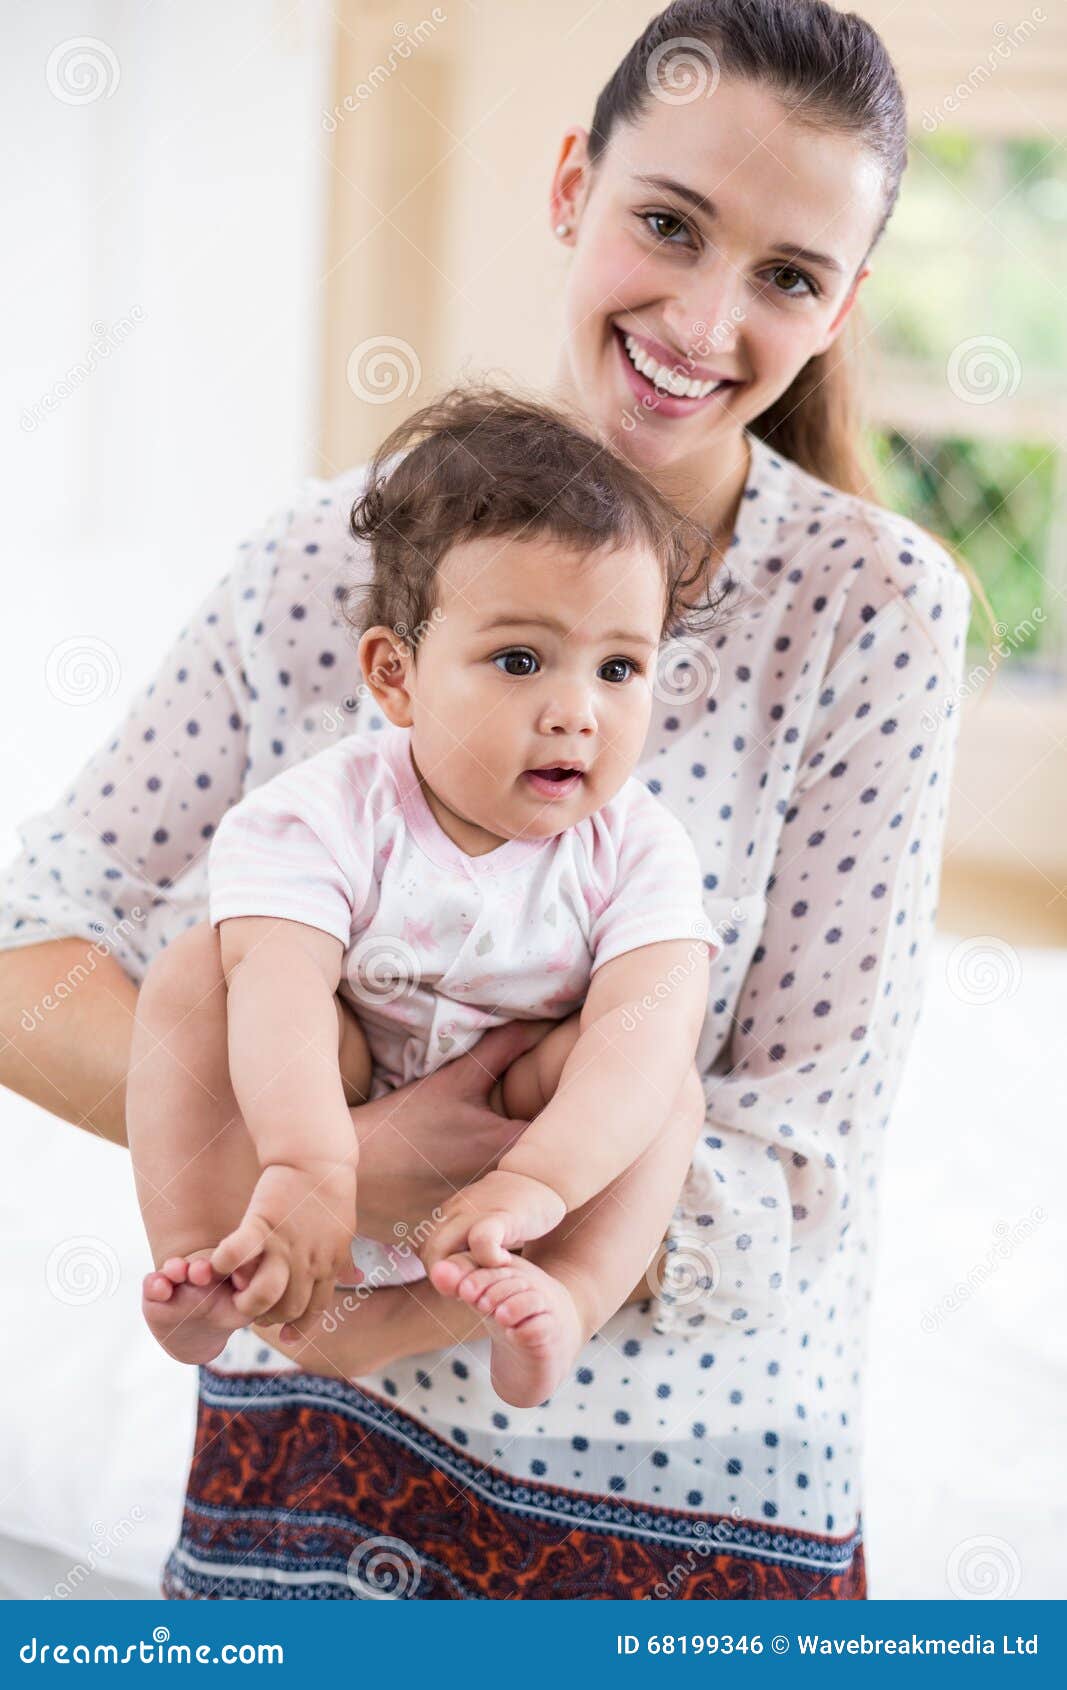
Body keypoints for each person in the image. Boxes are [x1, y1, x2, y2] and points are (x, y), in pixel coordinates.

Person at [0, 0, 973, 1599]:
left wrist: (481, 1177)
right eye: (665, 223)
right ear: (568, 186)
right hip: (310, 1453)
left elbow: (789, 1177)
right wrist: (342, 1162)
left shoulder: (873, 612)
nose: (704, 316)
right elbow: (29, 959)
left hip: (677, 1494)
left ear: (840, 304)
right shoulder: (322, 560)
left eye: (787, 276)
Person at [129, 386, 719, 1412]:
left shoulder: (639, 848)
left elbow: (645, 1018)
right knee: (198, 970)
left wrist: (536, 1181)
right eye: (520, 660)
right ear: (396, 677)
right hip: (333, 1097)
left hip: (518, 1129)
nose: (575, 712)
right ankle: (209, 1264)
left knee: (663, 1083)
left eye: (619, 666)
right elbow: (278, 979)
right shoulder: (324, 812)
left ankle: (562, 1300)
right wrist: (311, 1159)